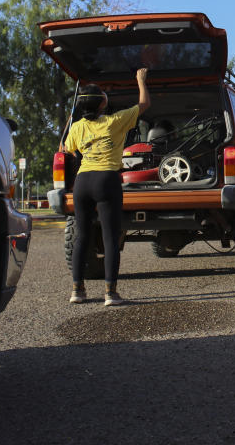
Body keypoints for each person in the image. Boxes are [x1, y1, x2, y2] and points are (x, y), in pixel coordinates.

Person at [63, 68, 150, 306]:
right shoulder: (115, 121)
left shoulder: (76, 127)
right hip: (106, 180)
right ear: (102, 104)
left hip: (82, 182)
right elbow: (144, 103)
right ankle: (110, 293)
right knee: (110, 238)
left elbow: (67, 149)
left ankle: (77, 290)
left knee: (82, 236)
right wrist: (140, 80)